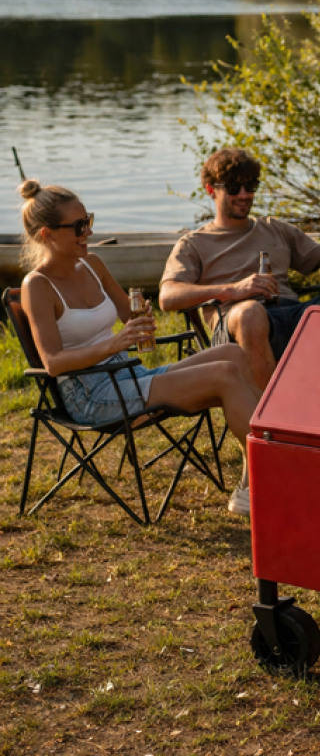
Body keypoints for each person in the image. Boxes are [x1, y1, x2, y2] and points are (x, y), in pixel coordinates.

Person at [18, 179, 262, 517]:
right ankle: (264, 478)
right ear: (48, 235)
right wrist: (115, 342)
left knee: (233, 354)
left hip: (126, 375)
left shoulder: (93, 264)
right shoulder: (37, 286)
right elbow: (54, 363)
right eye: (78, 226)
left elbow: (128, 313)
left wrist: (141, 317)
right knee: (223, 374)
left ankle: (255, 479)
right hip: (91, 395)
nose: (87, 231)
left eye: (88, 220)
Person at [158, 148, 320, 389]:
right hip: (237, 323)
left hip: (294, 314)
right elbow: (168, 297)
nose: (244, 195)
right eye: (234, 188)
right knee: (250, 313)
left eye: (251, 187)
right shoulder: (193, 243)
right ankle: (270, 419)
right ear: (211, 190)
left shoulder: (275, 229)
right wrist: (233, 290)